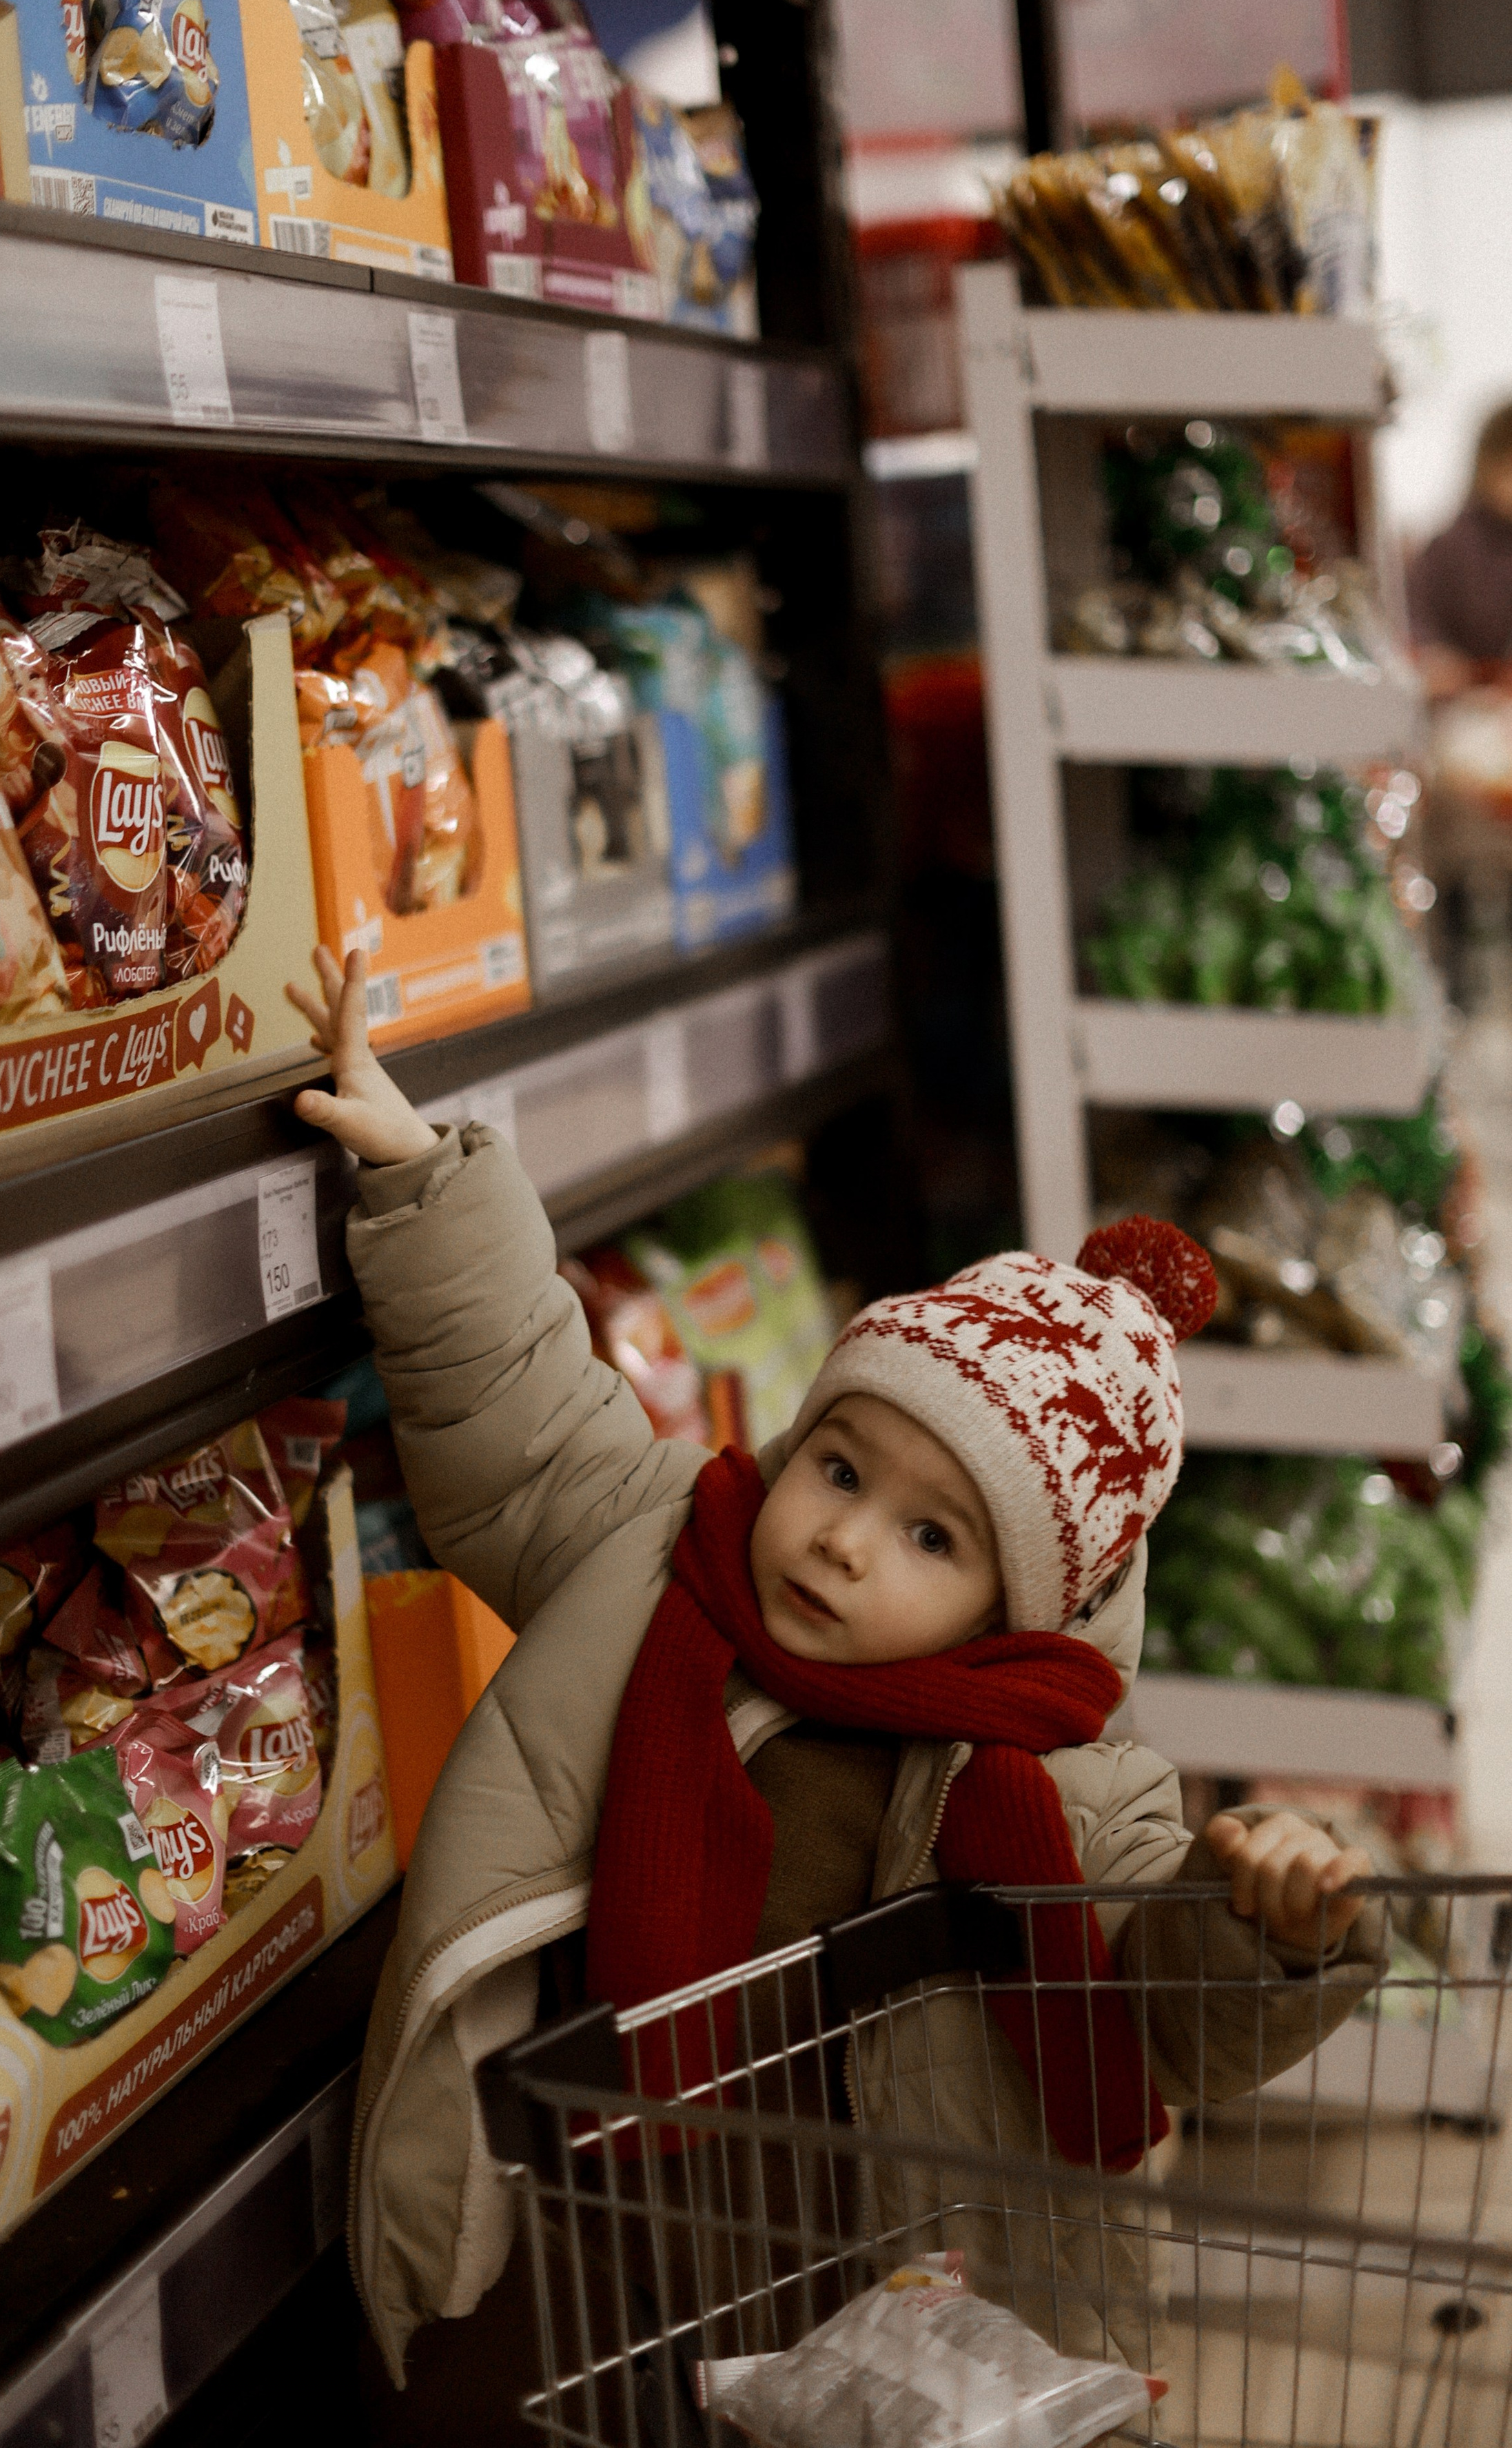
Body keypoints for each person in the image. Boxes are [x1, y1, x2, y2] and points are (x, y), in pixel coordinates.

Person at [287, 945, 1380, 2403]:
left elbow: (1158, 2015)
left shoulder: (1072, 1792)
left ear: (1016, 1607)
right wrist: (425, 1181)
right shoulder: (659, 1547)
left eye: (931, 1536)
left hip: (891, 2315)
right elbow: (518, 1409)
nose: (842, 1543)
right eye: (840, 1468)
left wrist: (1267, 1930)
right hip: (592, 2248)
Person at [1408, 400, 1512, 701]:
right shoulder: (1453, 544)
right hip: (1464, 698)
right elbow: (1417, 612)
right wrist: (1435, 655)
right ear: (1488, 466)